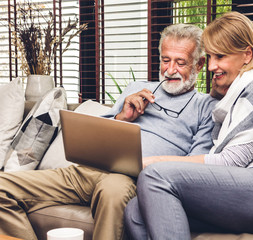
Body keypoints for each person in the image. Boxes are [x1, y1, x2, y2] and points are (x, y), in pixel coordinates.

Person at [0, 24, 218, 240]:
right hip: (87, 170)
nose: (170, 70)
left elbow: (193, 168)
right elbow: (98, 133)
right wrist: (121, 117)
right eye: (165, 60)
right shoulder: (136, 88)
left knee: (113, 193)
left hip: (130, 179)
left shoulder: (206, 107)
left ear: (199, 64)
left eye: (180, 63)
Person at [124, 11, 253, 239]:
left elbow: (229, 162)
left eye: (221, 57)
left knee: (155, 175)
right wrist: (220, 89)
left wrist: (149, 162)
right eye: (211, 57)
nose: (212, 66)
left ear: (247, 55)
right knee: (137, 209)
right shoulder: (236, 94)